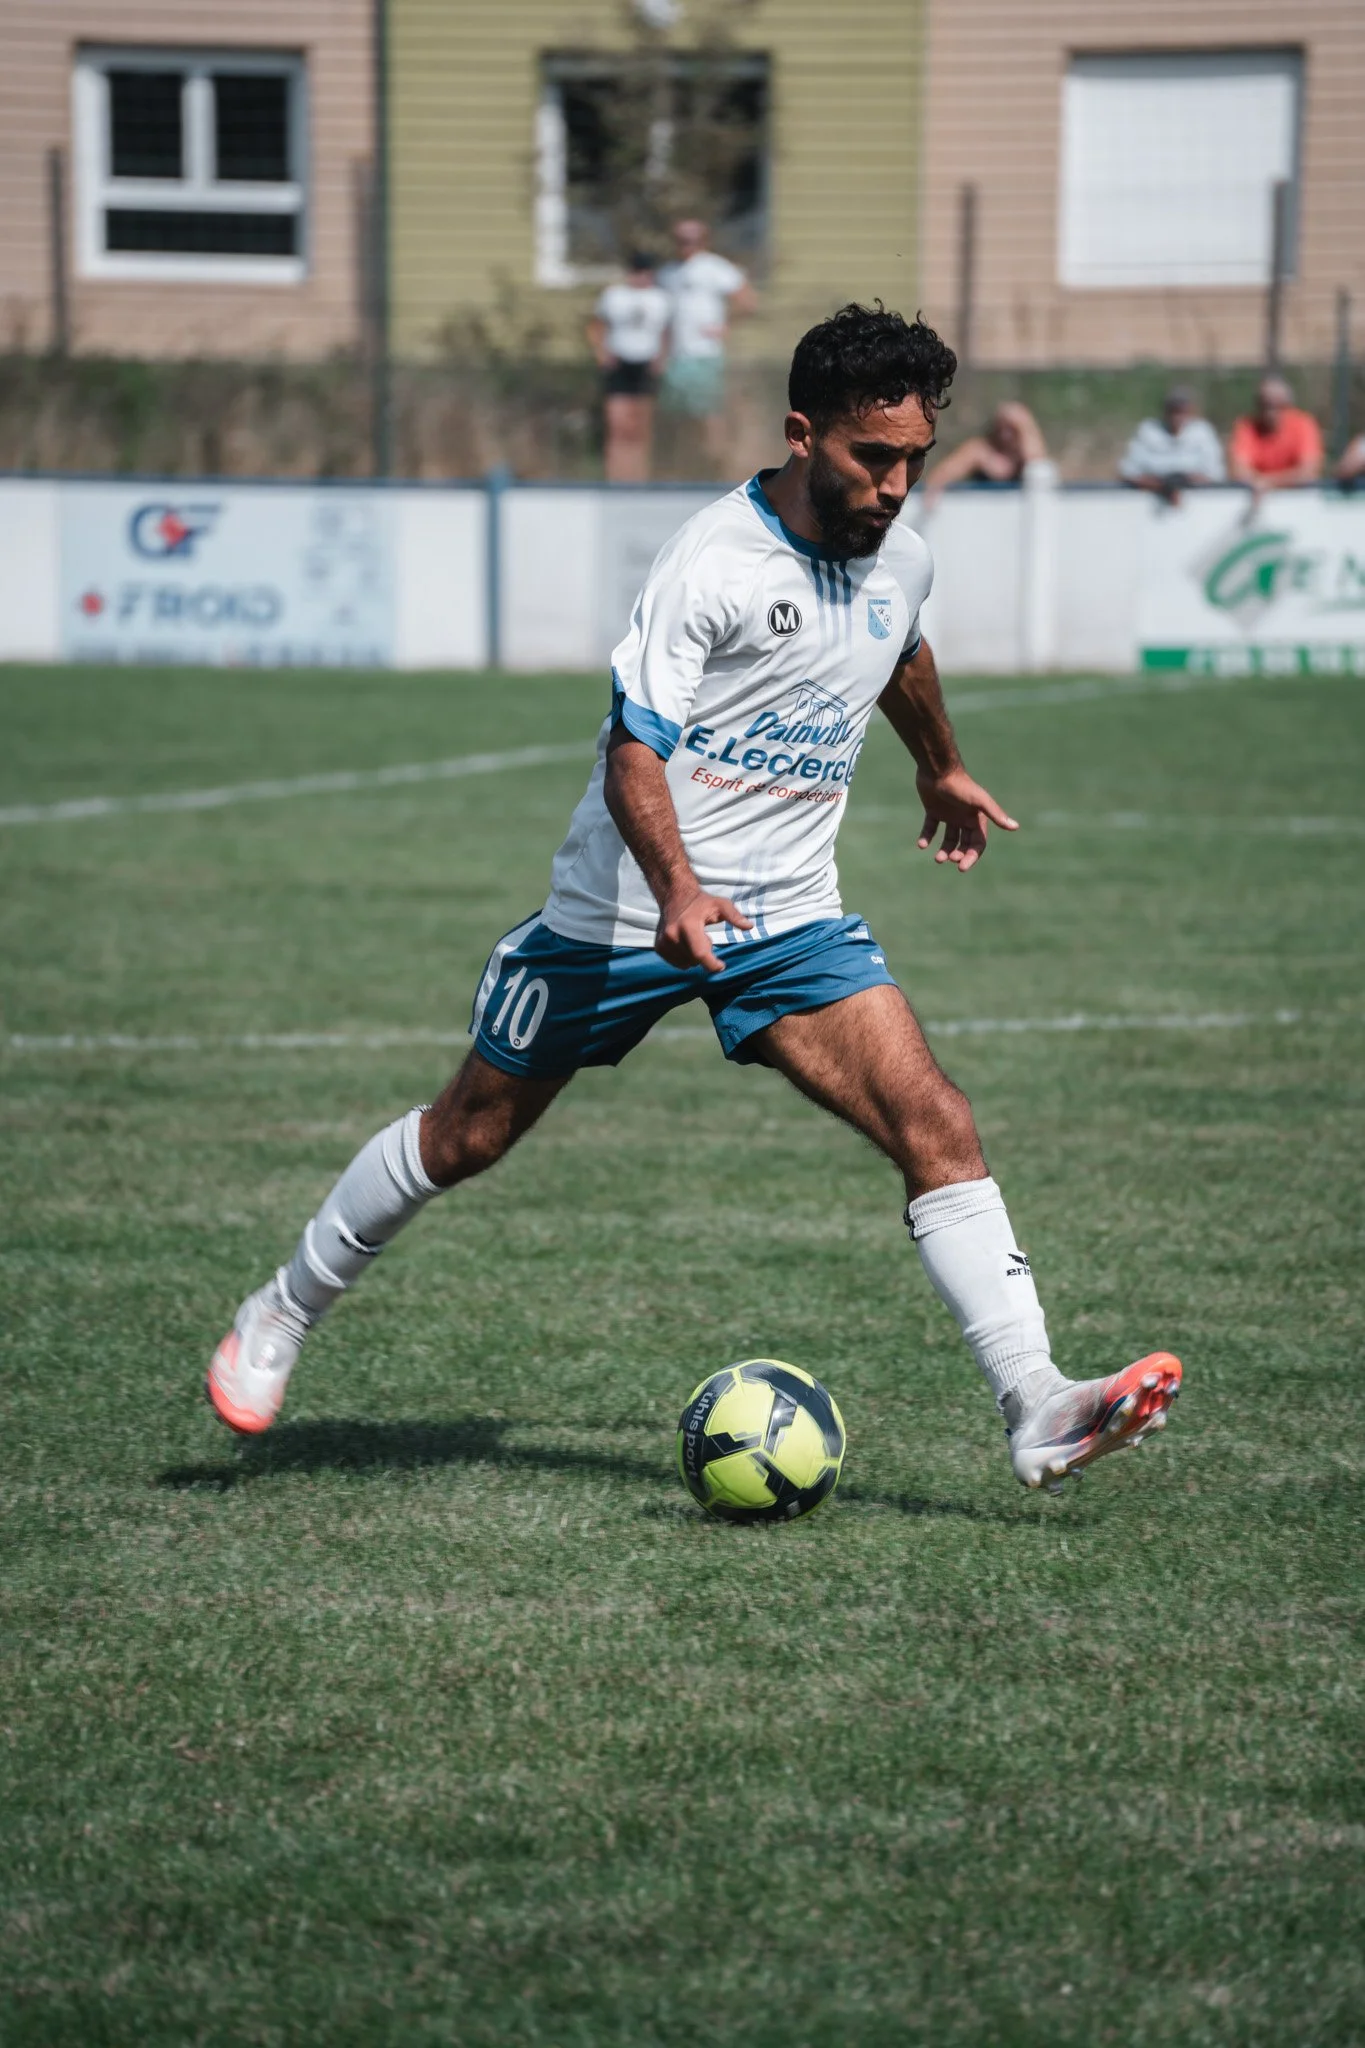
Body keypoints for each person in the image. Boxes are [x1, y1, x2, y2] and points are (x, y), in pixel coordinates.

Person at [206, 303, 1182, 1496]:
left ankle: (1035, 1400)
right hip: (618, 916)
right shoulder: (713, 561)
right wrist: (677, 887)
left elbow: (902, 646)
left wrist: (938, 760)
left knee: (940, 1122)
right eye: (874, 458)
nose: (895, 486)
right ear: (800, 433)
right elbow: (634, 748)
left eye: (916, 459)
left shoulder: (902, 555)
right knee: (467, 1131)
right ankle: (284, 1306)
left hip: (789, 919)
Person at [657, 218, 758, 467]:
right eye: (681, 240)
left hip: (705, 353)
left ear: (703, 241)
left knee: (709, 414)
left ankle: (715, 462)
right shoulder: (667, 273)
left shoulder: (715, 268)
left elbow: (748, 301)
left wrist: (726, 324)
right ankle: (686, 462)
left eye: (691, 240)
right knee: (679, 417)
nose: (686, 245)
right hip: (676, 355)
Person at [587, 253, 672, 484]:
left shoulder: (660, 298)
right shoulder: (614, 296)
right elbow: (596, 326)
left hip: (645, 365)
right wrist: (602, 354)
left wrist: (662, 359)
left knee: (640, 427)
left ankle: (639, 477)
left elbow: (666, 332)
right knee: (618, 424)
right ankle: (616, 476)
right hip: (620, 363)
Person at [922, 401, 1048, 509]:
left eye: (1012, 428)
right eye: (1002, 427)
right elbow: (943, 473)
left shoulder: (1024, 456)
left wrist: (1024, 423)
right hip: (982, 516)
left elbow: (1039, 466)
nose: (1005, 434)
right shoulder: (979, 450)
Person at [1118, 386, 1226, 504]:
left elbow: (1215, 475)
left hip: (1197, 504)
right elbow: (1128, 472)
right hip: (1150, 502)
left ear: (1191, 411)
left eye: (1182, 411)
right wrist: (1162, 485)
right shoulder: (1147, 431)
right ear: (1164, 410)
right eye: (1173, 411)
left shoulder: (1202, 432)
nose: (1177, 417)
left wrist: (1183, 482)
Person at [1228, 377, 1324, 496]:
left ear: (1289, 405)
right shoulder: (1246, 427)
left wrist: (1268, 482)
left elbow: (1308, 472)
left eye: (1277, 406)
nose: (1270, 412)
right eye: (1265, 405)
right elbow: (1238, 471)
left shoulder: (1304, 424)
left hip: (1298, 500)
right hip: (1257, 499)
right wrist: (1261, 483)